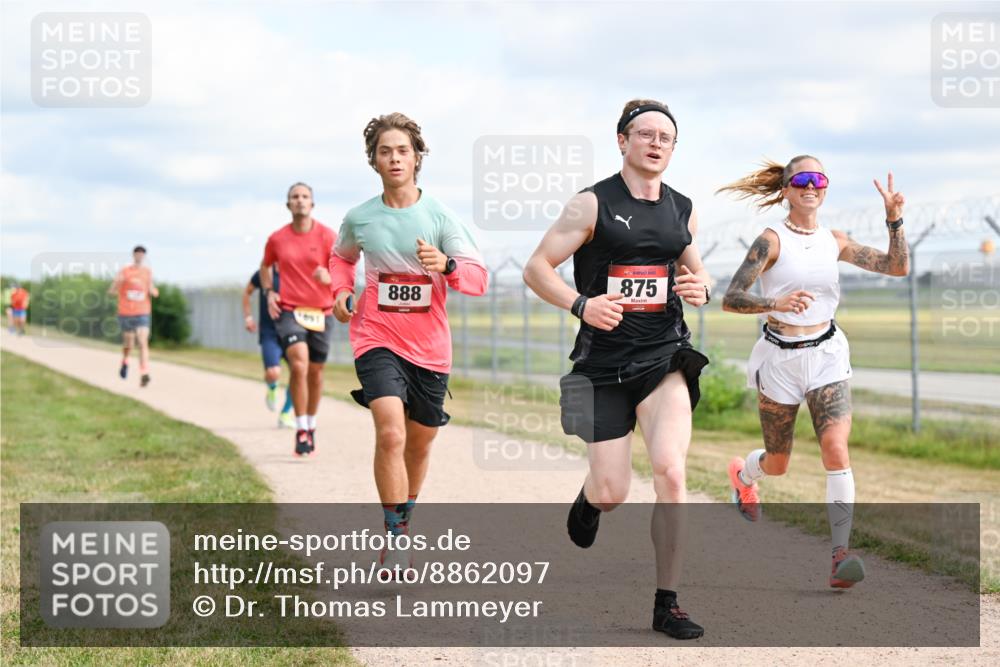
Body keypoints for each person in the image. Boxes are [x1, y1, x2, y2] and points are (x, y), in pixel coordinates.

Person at [523, 99, 711, 639]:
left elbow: (693, 272)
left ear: (673, 150)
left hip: (664, 355)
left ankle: (667, 603)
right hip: (604, 363)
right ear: (622, 140)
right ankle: (590, 499)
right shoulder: (591, 204)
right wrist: (581, 304)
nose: (655, 143)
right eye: (645, 133)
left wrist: (701, 288)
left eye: (666, 138)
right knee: (613, 491)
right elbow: (538, 268)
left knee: (672, 472)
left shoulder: (683, 208)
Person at [718, 156, 909, 588]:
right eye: (801, 179)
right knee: (780, 463)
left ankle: (841, 557)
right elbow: (730, 298)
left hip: (826, 354)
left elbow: (897, 267)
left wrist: (894, 220)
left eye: (818, 179)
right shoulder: (770, 241)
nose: (811, 186)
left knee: (835, 449)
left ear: (825, 188)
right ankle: (745, 476)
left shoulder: (834, 240)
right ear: (786, 189)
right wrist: (775, 303)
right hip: (779, 358)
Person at [330, 112, 487, 573]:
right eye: (385, 151)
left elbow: (477, 280)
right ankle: (394, 535)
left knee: (418, 444)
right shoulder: (360, 217)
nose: (394, 158)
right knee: (391, 432)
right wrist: (341, 292)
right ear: (373, 161)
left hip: (430, 348)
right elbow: (341, 260)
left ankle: (403, 517)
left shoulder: (439, 217)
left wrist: (446, 265)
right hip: (375, 336)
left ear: (418, 158)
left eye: (403, 150)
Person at [261, 183, 337, 456]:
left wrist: (331, 278)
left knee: (316, 372)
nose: (300, 201)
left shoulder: (328, 236)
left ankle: (311, 424)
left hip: (323, 311)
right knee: (299, 364)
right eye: (295, 197)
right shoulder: (277, 239)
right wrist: (270, 292)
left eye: (305, 197)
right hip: (290, 310)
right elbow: (265, 266)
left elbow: (345, 269)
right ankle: (300, 427)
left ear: (312, 204)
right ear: (288, 205)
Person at [243, 266, 295, 428]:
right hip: (269, 332)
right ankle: (272, 387)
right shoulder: (263, 273)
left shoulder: (296, 271)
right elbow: (247, 293)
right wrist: (248, 318)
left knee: (299, 374)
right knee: (273, 373)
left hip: (293, 330)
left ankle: (286, 413)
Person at [110, 246, 159, 386]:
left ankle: (144, 372)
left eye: (142, 254)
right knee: (129, 343)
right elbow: (113, 289)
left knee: (143, 341)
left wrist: (154, 291)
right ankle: (125, 361)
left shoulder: (147, 272)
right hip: (126, 312)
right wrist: (116, 286)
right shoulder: (125, 271)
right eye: (137, 254)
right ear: (133, 255)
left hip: (142, 311)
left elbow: (150, 287)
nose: (139, 256)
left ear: (144, 256)